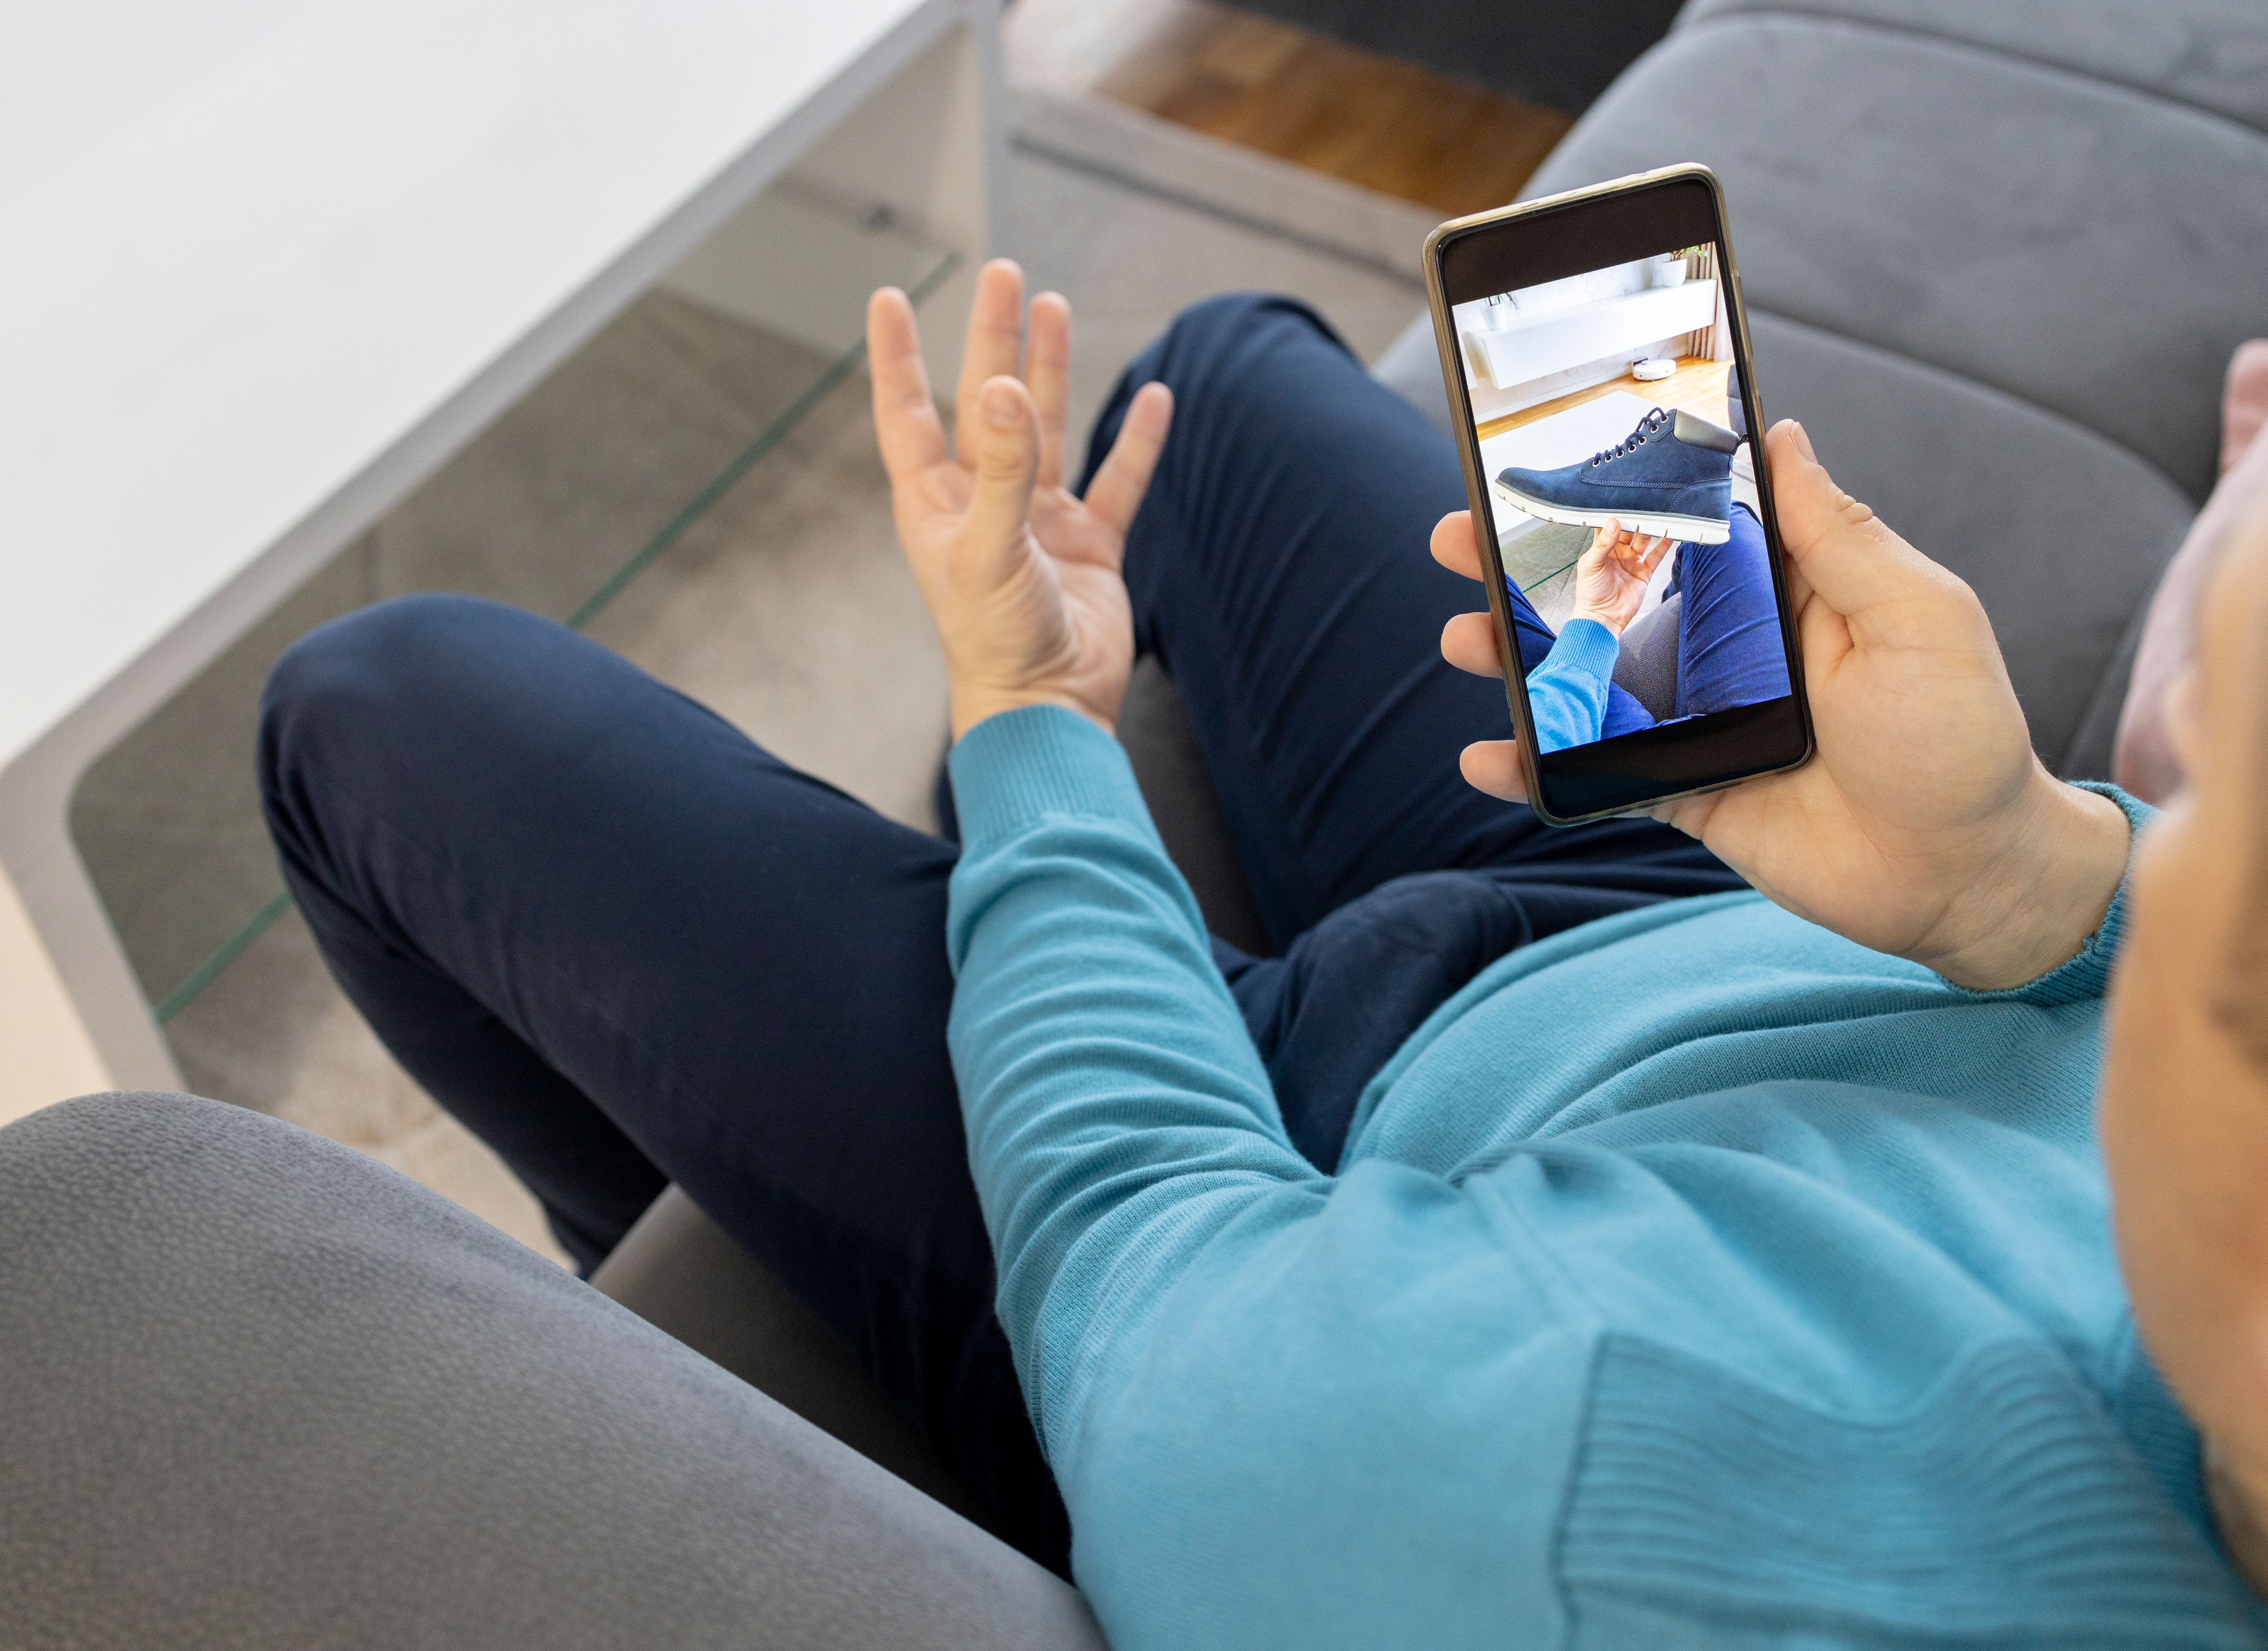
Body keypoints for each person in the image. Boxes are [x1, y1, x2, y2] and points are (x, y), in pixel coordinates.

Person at [257, 263, 2268, 1644]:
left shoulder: (1550, 1529)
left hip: (1299, 1171)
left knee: (373, 710)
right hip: (1777, 915)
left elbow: (1134, 1205)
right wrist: (2029, 876)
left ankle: (684, 1260)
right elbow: (2124, 905)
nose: (2170, 820)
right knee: (1207, 380)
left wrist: (1032, 720)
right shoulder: (2186, 1183)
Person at [1509, 501, 1791, 751]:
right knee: (1727, 519)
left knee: (1494, 592)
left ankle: (1680, 615)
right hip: (1742, 739)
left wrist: (1599, 617)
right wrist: (1597, 621)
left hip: (1564, 717)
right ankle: (1682, 614)